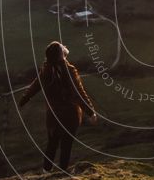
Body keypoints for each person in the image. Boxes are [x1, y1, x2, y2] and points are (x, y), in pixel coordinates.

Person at [19, 41, 97, 172]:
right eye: (62, 47)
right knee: (66, 145)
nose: (64, 47)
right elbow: (79, 93)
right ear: (61, 54)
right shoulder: (70, 71)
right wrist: (90, 112)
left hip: (53, 115)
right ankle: (62, 173)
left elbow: (34, 87)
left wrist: (23, 100)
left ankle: (46, 171)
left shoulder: (46, 71)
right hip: (70, 115)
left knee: (52, 143)